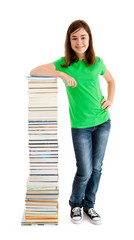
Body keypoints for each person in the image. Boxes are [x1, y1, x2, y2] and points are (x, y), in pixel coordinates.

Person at [30, 19, 115, 225]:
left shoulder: (97, 62)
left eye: (83, 37)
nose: (79, 42)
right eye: (74, 38)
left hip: (103, 122)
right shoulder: (64, 63)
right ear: (69, 41)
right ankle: (75, 204)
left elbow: (111, 81)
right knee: (84, 170)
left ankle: (89, 205)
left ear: (89, 39)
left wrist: (110, 99)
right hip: (80, 127)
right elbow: (35, 71)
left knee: (97, 168)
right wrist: (59, 74)